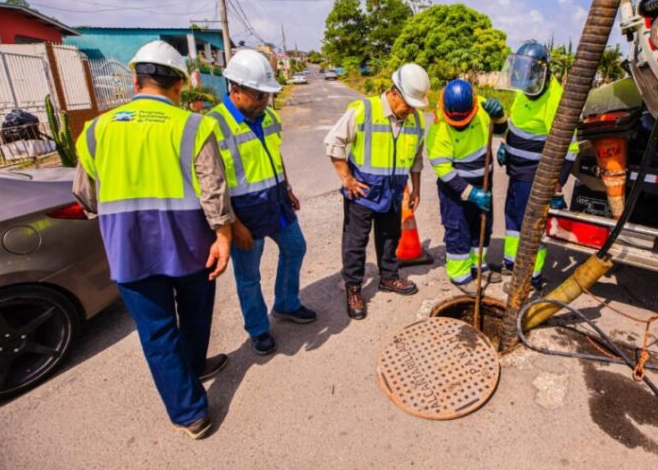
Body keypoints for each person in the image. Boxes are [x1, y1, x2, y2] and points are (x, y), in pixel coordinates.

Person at [73, 40, 234, 440]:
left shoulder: (96, 130)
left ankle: (190, 413)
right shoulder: (193, 124)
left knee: (157, 331)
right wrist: (224, 235)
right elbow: (213, 189)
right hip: (191, 246)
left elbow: (86, 195)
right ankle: (193, 368)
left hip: (128, 250)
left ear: (134, 79)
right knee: (196, 314)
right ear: (179, 83)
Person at [207, 49, 315, 357]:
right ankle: (258, 329)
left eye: (267, 95)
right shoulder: (213, 125)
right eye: (258, 95)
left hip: (276, 201)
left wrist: (287, 187)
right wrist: (232, 225)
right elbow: (212, 185)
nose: (265, 101)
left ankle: (286, 304)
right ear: (236, 90)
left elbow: (274, 154)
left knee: (295, 247)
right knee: (248, 276)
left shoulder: (268, 116)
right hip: (242, 213)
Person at [324, 63, 429, 319]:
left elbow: (416, 157)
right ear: (394, 93)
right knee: (355, 243)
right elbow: (333, 142)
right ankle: (353, 288)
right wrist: (347, 178)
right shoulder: (364, 110)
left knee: (390, 236)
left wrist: (415, 187)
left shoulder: (415, 119)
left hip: (393, 191)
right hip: (363, 192)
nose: (412, 109)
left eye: (416, 105)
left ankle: (389, 277)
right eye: (409, 103)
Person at [496, 41, 580, 290]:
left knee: (530, 224)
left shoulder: (555, 100)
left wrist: (559, 179)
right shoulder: (525, 89)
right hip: (517, 170)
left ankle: (530, 276)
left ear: (541, 72)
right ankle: (512, 263)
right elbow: (518, 126)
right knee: (512, 217)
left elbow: (570, 145)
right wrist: (506, 146)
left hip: (535, 174)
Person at [426, 79, 506, 294]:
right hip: (455, 189)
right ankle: (460, 274)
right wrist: (471, 193)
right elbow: (444, 170)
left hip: (484, 181)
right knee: (458, 229)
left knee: (482, 225)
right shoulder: (438, 126)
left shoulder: (481, 106)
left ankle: (478, 265)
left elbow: (500, 129)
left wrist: (499, 116)